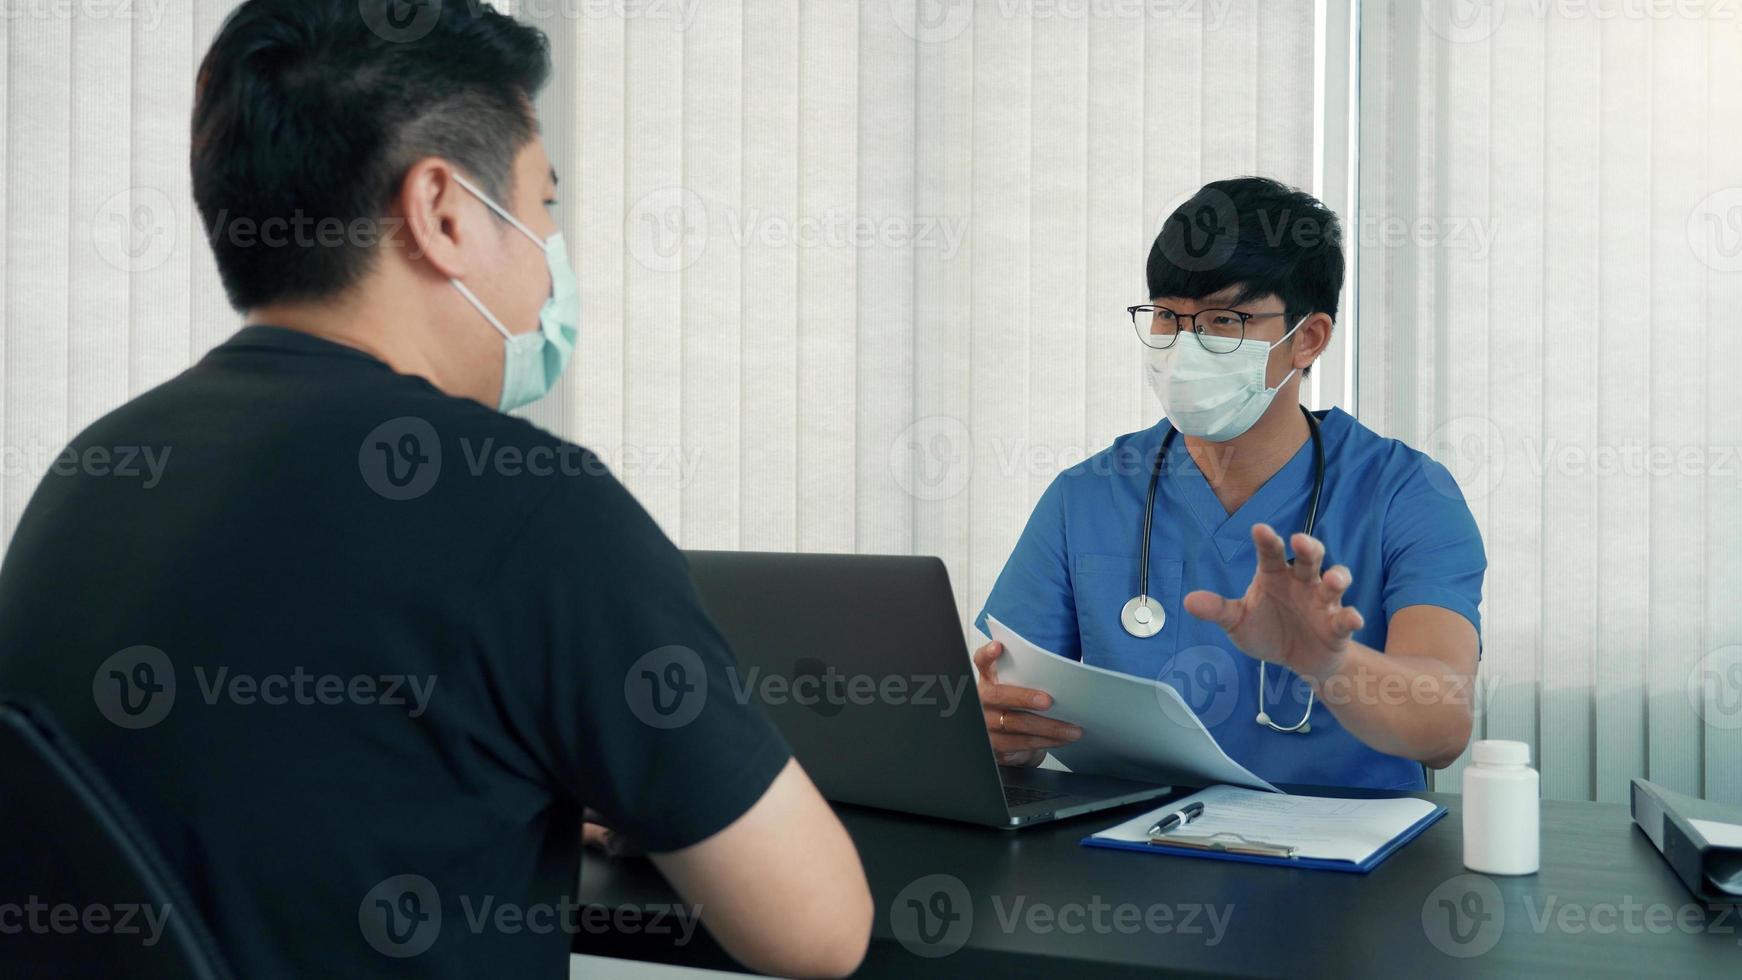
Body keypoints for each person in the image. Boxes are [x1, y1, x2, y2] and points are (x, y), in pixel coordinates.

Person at [0, 2, 869, 977]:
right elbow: (819, 927)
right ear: (443, 212)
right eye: (544, 207)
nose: (550, 257)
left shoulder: (92, 471)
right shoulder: (530, 503)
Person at [972, 177, 1485, 791]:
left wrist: (1329, 662)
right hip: (1131, 853)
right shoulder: (1086, 496)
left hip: (1344, 862)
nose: (1185, 347)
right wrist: (1004, 734)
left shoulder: (1407, 494)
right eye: (1168, 316)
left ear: (1309, 339)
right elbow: (1010, 701)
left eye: (1224, 320)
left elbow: (1444, 731)